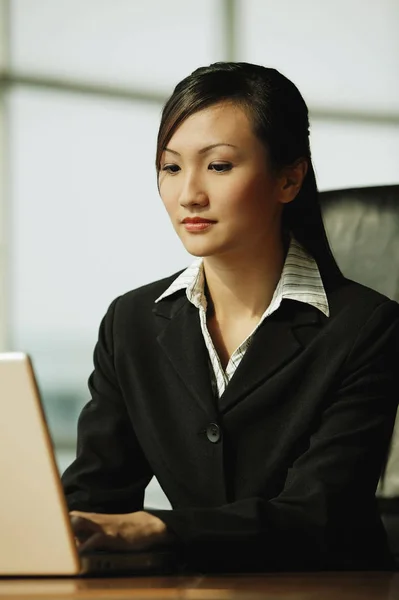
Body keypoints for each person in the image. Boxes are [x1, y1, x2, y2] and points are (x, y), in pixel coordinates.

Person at [62, 62, 399, 571]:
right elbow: (94, 493)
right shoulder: (131, 322)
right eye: (171, 167)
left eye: (218, 166)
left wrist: (159, 527)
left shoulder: (367, 326)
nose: (188, 194)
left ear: (289, 178)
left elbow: (319, 514)